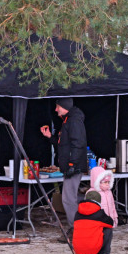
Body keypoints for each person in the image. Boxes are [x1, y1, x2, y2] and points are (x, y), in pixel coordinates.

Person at [40, 98, 86, 234]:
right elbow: (63, 145)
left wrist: (72, 164)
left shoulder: (74, 121)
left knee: (68, 199)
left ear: (64, 107)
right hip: (70, 166)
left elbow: (79, 143)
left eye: (57, 107)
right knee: (70, 198)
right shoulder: (67, 121)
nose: (55, 110)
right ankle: (78, 225)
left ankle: (75, 229)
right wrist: (50, 137)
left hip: (74, 167)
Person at [72, 190, 114, 254]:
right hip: (93, 246)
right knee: (108, 229)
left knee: (84, 231)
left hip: (78, 249)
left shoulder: (77, 213)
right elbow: (111, 223)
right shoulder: (100, 214)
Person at [86, 165, 118, 254]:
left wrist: (114, 217)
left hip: (107, 221)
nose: (107, 184)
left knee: (107, 238)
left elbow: (112, 206)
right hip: (97, 222)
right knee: (97, 239)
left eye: (108, 182)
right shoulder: (92, 193)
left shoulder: (108, 193)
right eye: (104, 182)